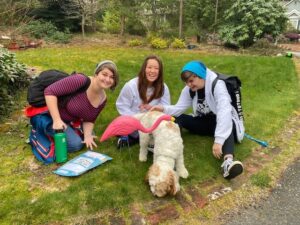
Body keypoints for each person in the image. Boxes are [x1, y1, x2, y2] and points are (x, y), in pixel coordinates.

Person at [151, 60, 244, 179]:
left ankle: (228, 163)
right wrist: (162, 108)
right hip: (205, 121)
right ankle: (167, 146)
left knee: (227, 124)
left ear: (201, 75)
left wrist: (218, 141)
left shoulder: (218, 85)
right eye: (186, 82)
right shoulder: (189, 89)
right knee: (180, 118)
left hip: (222, 120)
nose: (189, 85)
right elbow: (179, 108)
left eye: (191, 81)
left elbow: (224, 112)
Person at [44, 60, 119, 151]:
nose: (107, 79)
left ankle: (72, 129)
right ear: (96, 73)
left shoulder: (103, 99)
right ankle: (42, 129)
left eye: (112, 77)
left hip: (70, 120)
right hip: (50, 115)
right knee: (76, 145)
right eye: (104, 74)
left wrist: (87, 136)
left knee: (89, 135)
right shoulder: (81, 80)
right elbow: (49, 92)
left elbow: (90, 119)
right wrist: (57, 120)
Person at [116, 55, 171, 148]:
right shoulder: (131, 86)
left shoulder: (163, 87)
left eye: (156, 68)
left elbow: (166, 108)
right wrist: (138, 119)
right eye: (149, 67)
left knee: (167, 126)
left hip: (152, 122)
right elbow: (122, 106)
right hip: (133, 121)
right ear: (144, 69)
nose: (152, 71)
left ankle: (142, 139)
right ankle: (143, 139)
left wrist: (154, 113)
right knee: (124, 125)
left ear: (160, 71)